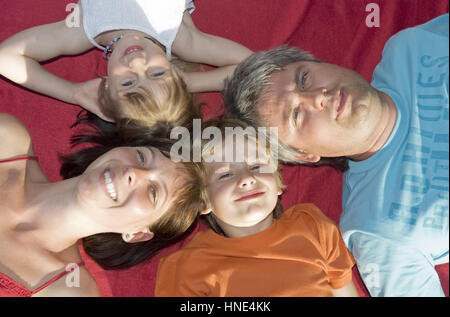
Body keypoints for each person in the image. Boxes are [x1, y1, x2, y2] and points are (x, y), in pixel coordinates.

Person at [222, 14, 449, 296]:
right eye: (296, 115)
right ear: (305, 155)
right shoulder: (376, 228)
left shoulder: (410, 47)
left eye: (304, 78)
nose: (317, 96)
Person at [0, 112, 204, 297]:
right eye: (142, 156)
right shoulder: (7, 140)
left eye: (153, 192)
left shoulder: (69, 290)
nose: (134, 172)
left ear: (137, 234)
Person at [155, 119, 358, 297]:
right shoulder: (186, 266)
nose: (246, 179)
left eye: (256, 167)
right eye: (225, 174)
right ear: (202, 201)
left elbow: (344, 290)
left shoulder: (313, 226)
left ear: (278, 182)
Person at [0, 0, 252, 127]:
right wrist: (184, 82)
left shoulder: (83, 29)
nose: (137, 62)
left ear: (106, 86)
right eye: (156, 73)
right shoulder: (180, 37)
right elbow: (250, 66)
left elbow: (5, 57)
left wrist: (73, 92)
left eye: (129, 82)